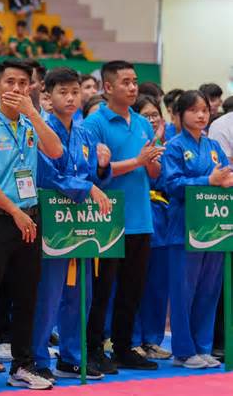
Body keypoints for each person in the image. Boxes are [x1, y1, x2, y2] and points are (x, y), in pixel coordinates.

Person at [0, 59, 62, 392]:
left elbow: (56, 151)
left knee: (27, 296)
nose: (17, 89)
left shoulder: (33, 124)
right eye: (10, 82)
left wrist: (34, 114)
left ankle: (22, 365)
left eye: (23, 83)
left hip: (30, 217)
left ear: (31, 87)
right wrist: (14, 212)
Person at [31, 67, 113, 382]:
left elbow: (92, 175)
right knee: (47, 294)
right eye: (62, 92)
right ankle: (37, 357)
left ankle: (71, 358)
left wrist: (102, 170)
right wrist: (87, 188)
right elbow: (47, 174)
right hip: (50, 221)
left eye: (75, 92)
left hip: (79, 223)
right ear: (47, 98)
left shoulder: (84, 134)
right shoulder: (40, 130)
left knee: (80, 294)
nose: (70, 97)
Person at [82, 60, 164, 373]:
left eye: (135, 82)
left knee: (132, 289)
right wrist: (137, 160)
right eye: (126, 82)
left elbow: (153, 173)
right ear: (108, 87)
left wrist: (152, 160)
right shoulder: (95, 123)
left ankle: (123, 346)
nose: (133, 88)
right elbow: (93, 173)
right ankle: (92, 348)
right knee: (102, 291)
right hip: (107, 219)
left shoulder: (143, 124)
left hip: (141, 218)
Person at [163, 90, 233, 369]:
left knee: (209, 290)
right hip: (184, 226)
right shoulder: (174, 146)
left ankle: (203, 347)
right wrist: (208, 180)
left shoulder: (214, 146)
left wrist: (226, 180)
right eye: (194, 110)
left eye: (204, 110)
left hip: (214, 227)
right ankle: (183, 351)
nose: (201, 115)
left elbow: (225, 174)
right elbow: (172, 184)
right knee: (184, 291)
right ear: (180, 114)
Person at [130, 95, 172, 361]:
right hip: (137, 216)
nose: (152, 119)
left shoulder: (169, 148)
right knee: (133, 284)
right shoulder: (135, 145)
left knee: (157, 286)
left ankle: (152, 339)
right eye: (146, 115)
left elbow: (164, 178)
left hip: (162, 220)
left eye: (155, 114)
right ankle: (131, 338)